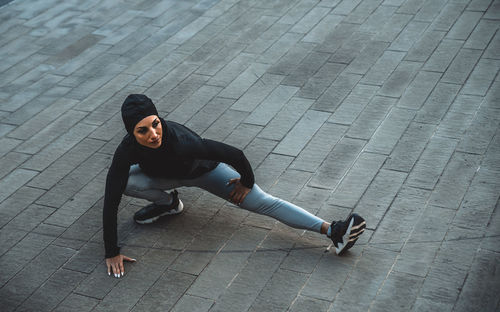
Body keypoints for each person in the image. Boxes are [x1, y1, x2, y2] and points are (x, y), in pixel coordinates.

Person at [103, 94, 366, 278]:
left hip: (207, 173)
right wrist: (111, 252)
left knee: (261, 202)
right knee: (124, 182)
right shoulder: (126, 151)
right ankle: (169, 204)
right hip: (167, 178)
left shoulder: (182, 142)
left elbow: (235, 154)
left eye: (155, 124)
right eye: (143, 130)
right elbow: (111, 197)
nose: (153, 134)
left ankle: (334, 230)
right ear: (131, 133)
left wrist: (246, 181)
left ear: (160, 119)